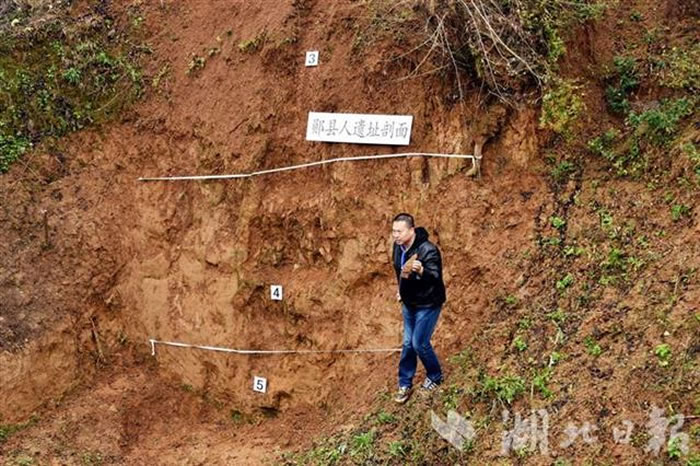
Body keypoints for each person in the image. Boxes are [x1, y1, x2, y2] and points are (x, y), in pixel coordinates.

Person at [390, 213, 446, 404]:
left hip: (428, 303)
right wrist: (401, 291)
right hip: (409, 303)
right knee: (407, 343)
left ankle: (435, 376)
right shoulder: (398, 248)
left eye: (399, 231)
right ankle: (405, 383)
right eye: (393, 231)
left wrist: (422, 270)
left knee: (419, 343)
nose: (395, 235)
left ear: (411, 230)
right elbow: (399, 271)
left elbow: (436, 276)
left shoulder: (428, 250)